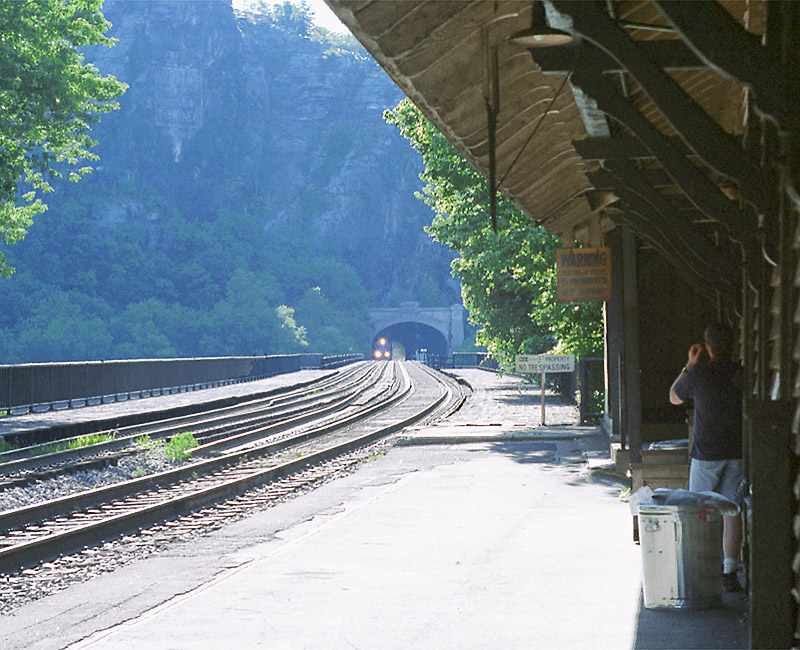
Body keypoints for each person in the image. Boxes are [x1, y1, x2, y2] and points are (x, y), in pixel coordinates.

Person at [669, 322, 744, 592]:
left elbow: (674, 398)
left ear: (708, 347)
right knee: (732, 512)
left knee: (697, 510)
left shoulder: (699, 374)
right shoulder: (741, 374)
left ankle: (697, 568)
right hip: (736, 453)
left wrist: (689, 364)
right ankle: (729, 571)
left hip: (706, 454)